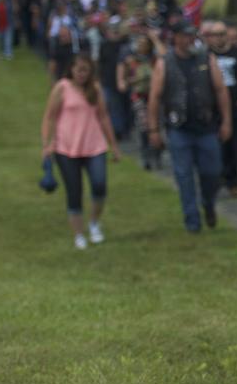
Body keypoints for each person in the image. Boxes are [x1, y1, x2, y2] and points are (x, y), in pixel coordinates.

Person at [147, 21, 232, 232]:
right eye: (184, 36)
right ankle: (192, 220)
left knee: (212, 172)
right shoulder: (164, 63)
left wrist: (226, 121)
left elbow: (221, 90)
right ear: (175, 38)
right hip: (179, 128)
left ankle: (208, 203)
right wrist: (154, 129)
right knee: (184, 176)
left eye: (191, 35)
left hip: (206, 126)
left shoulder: (206, 58)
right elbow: (155, 98)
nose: (189, 40)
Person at [40, 54, 121, 249]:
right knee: (74, 191)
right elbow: (50, 117)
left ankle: (94, 222)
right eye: (78, 70)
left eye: (85, 70)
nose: (82, 74)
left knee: (99, 184)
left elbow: (103, 117)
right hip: (67, 147)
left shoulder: (95, 89)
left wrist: (113, 145)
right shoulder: (62, 88)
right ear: (71, 70)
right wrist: (47, 143)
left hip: (94, 145)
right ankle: (78, 233)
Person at [206, 21, 237, 196]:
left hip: (235, 106)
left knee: (235, 145)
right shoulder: (206, 56)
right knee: (215, 147)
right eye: (215, 34)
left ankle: (234, 182)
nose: (219, 38)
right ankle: (217, 179)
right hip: (213, 108)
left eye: (222, 34)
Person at [119, 31, 162, 169]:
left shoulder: (155, 60)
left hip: (154, 96)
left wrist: (155, 39)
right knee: (143, 126)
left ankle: (157, 154)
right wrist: (134, 80)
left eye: (144, 43)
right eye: (139, 43)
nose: (141, 46)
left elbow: (164, 54)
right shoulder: (131, 60)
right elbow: (125, 79)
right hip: (139, 96)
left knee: (156, 125)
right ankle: (146, 155)